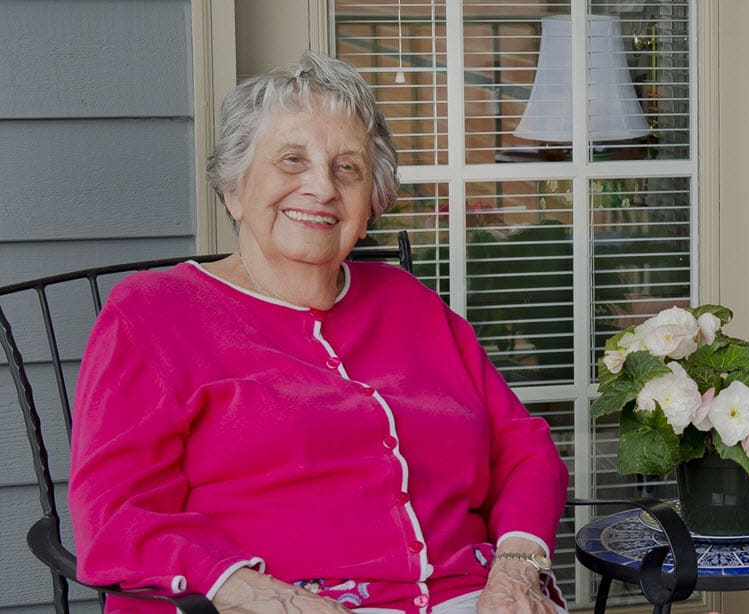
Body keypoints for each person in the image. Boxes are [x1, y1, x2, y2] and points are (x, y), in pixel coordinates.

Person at [68, 52, 570, 614]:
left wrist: (518, 568)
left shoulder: (412, 303)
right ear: (235, 188)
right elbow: (114, 512)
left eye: (347, 168)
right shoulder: (153, 314)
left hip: (475, 599)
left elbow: (523, 448)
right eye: (290, 160)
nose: (321, 188)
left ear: (372, 202)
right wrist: (253, 594)